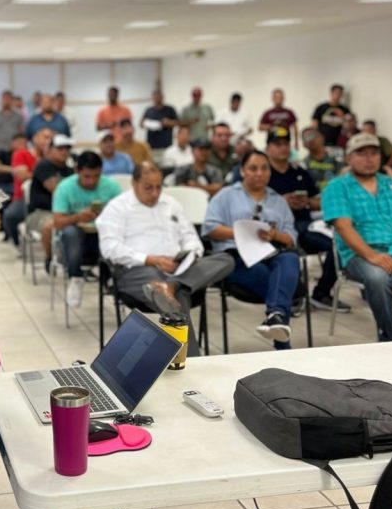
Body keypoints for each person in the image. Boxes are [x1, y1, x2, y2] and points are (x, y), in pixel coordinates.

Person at [97, 162, 233, 354]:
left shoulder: (171, 204)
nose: (155, 193)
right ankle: (191, 358)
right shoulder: (117, 207)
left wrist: (188, 255)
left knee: (225, 259)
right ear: (134, 183)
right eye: (148, 188)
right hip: (138, 271)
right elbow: (110, 248)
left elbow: (191, 238)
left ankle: (172, 285)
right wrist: (151, 259)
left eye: (159, 187)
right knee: (176, 298)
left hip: (180, 268)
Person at [203, 149, 300, 348]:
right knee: (282, 284)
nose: (259, 173)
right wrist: (242, 232)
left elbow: (291, 238)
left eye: (264, 168)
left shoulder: (278, 201)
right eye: (253, 168)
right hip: (236, 256)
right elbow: (210, 228)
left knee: (290, 259)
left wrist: (274, 235)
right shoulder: (226, 195)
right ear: (242, 171)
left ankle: (276, 315)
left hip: (270, 253)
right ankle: (280, 329)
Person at [323, 133, 392, 342]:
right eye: (361, 154)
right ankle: (391, 337)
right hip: (360, 254)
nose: (369, 159)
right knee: (378, 277)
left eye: (374, 153)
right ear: (349, 157)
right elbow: (344, 228)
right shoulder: (337, 188)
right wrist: (372, 255)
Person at [265, 127, 348, 314]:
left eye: (286, 144)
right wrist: (282, 202)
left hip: (305, 224)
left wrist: (307, 202)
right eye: (277, 144)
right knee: (289, 250)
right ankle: (293, 295)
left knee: (340, 244)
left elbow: (319, 202)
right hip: (277, 228)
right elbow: (256, 205)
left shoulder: (300, 172)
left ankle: (321, 293)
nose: (283, 148)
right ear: (268, 148)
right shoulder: (264, 174)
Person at [51, 150, 121, 307]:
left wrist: (105, 217)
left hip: (101, 239)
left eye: (96, 176)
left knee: (114, 234)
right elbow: (57, 223)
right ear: (77, 171)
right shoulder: (65, 187)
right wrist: (77, 218)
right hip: (73, 243)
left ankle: (110, 278)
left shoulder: (111, 187)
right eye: (87, 176)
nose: (91, 181)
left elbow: (123, 219)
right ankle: (75, 278)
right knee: (71, 232)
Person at [26, 134, 75, 267]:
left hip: (64, 212)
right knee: (51, 225)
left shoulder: (70, 170)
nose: (64, 152)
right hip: (40, 213)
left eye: (67, 148)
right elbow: (58, 191)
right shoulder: (43, 166)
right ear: (49, 150)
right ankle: (50, 258)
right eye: (60, 148)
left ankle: (76, 262)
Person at [0, 128, 52, 248]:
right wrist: (45, 176)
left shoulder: (53, 157)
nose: (48, 141)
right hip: (24, 198)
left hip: (48, 198)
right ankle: (16, 242)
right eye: (45, 137)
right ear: (35, 138)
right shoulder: (21, 153)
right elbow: (22, 175)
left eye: (50, 138)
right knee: (10, 215)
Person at [0, 88, 25, 190]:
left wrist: (20, 145)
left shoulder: (18, 116)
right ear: (1, 100)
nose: (6, 101)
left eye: (8, 99)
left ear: (12, 100)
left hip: (14, 150)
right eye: (4, 99)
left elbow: (21, 132)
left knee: (14, 176)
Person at [140, 87, 178, 162]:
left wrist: (169, 122)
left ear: (162, 97)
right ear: (152, 98)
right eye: (155, 96)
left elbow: (177, 122)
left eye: (158, 96)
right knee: (153, 164)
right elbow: (141, 124)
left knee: (167, 164)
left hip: (166, 145)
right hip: (152, 146)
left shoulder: (170, 109)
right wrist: (146, 123)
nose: (157, 98)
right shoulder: (149, 110)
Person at [301, 126, 341, 191]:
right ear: (303, 144)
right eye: (306, 138)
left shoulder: (337, 157)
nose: (310, 139)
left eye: (313, 135)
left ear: (322, 137)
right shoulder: (303, 165)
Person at [311, 84, 350, 148]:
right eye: (336, 93)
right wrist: (315, 139)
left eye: (340, 93)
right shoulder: (321, 107)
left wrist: (343, 117)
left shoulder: (345, 110)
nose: (338, 95)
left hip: (338, 142)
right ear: (331, 93)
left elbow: (348, 125)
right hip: (322, 141)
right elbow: (314, 124)